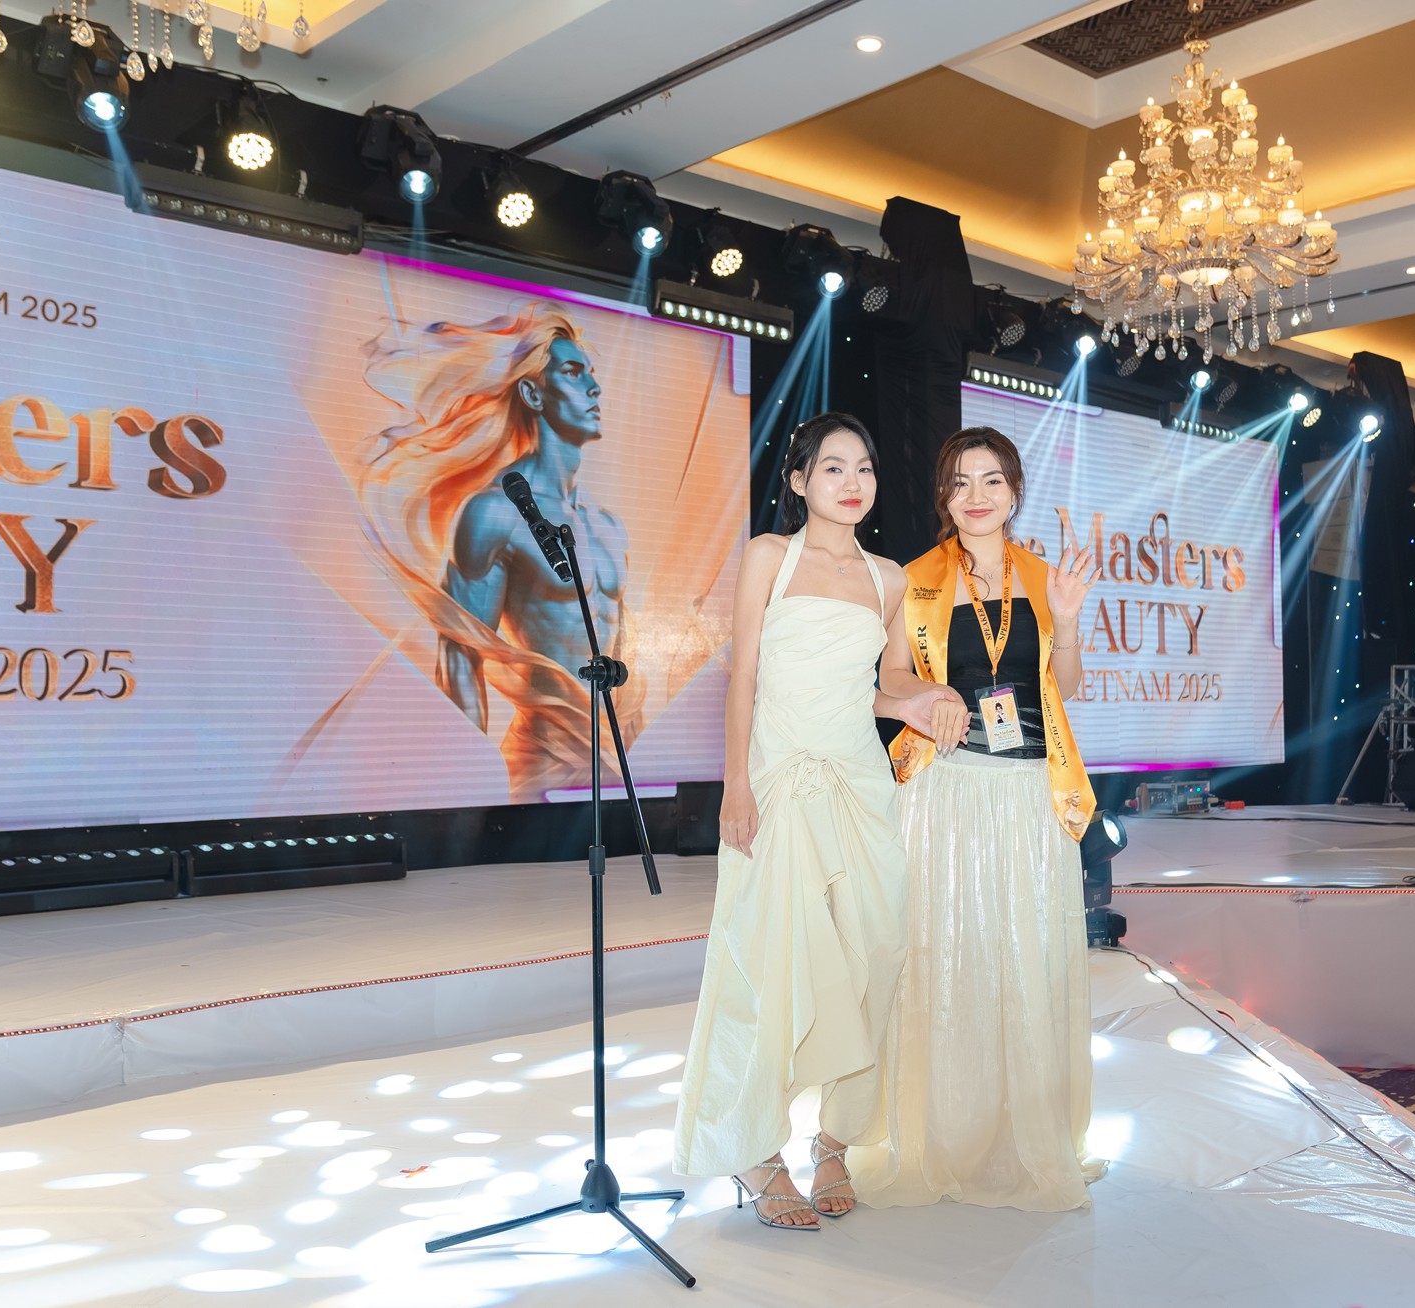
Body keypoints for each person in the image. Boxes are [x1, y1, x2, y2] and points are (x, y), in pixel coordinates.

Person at [670, 413, 964, 1230]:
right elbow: (744, 678)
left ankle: (835, 1141)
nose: (852, 481)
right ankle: (757, 1152)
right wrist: (736, 784)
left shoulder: (889, 578)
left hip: (862, 785)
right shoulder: (769, 555)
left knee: (876, 951)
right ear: (799, 481)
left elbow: (886, 685)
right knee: (770, 961)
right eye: (832, 467)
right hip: (777, 783)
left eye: (863, 467)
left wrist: (929, 697)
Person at [858, 425, 1103, 1213]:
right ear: (944, 494)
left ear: (1015, 492)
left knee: (1026, 958)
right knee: (946, 956)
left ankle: (1023, 1135)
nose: (976, 495)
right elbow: (892, 674)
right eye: (961, 481)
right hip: (948, 791)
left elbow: (1066, 684)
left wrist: (1068, 620)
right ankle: (945, 1135)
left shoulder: (1045, 577)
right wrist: (931, 696)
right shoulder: (916, 580)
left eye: (992, 480)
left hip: (1030, 793)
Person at [360, 306, 641, 800]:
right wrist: (470, 796)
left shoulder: (609, 527)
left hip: (618, 764)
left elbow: (625, 657)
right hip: (542, 767)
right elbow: (461, 658)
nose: (595, 388)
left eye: (592, 373)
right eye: (573, 373)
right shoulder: (495, 513)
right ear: (532, 393)